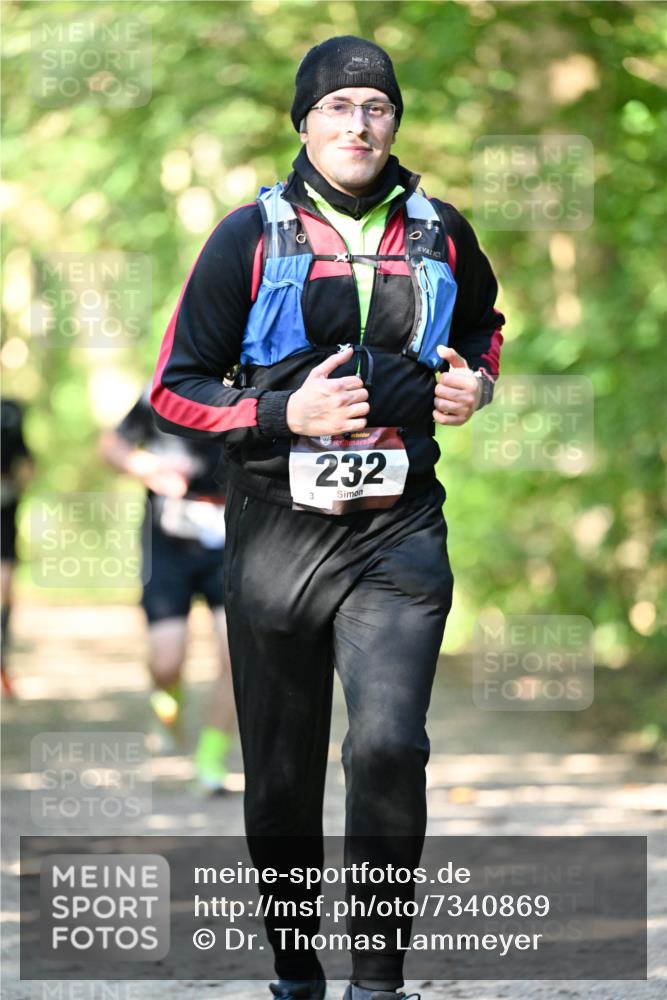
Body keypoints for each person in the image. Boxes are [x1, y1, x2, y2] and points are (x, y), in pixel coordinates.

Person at [151, 36, 504, 1000]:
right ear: (305, 121)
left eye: (377, 107)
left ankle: (377, 984)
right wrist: (280, 413)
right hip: (275, 531)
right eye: (339, 106)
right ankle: (297, 973)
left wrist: (476, 383)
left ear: (395, 123)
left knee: (389, 745)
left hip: (398, 530)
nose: (359, 123)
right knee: (280, 772)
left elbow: (480, 328)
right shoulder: (247, 236)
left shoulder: (440, 228)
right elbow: (175, 391)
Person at [99, 386, 235, 792]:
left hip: (232, 539)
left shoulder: (257, 380)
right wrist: (149, 468)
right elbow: (112, 445)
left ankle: (210, 762)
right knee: (166, 659)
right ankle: (168, 697)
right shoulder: (162, 387)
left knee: (235, 656)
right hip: (168, 545)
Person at [1, 398, 34, 697]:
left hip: (4, 515)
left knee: (4, 591)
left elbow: (27, 461)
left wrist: (16, 487)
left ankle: (2, 663)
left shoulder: (10, 411)